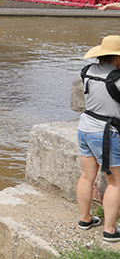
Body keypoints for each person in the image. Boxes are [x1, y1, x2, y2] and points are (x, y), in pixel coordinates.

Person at [76, 35, 120, 242]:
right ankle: (110, 230)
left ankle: (85, 219)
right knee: (115, 183)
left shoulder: (89, 71)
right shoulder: (117, 78)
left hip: (84, 128)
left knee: (86, 176)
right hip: (106, 134)